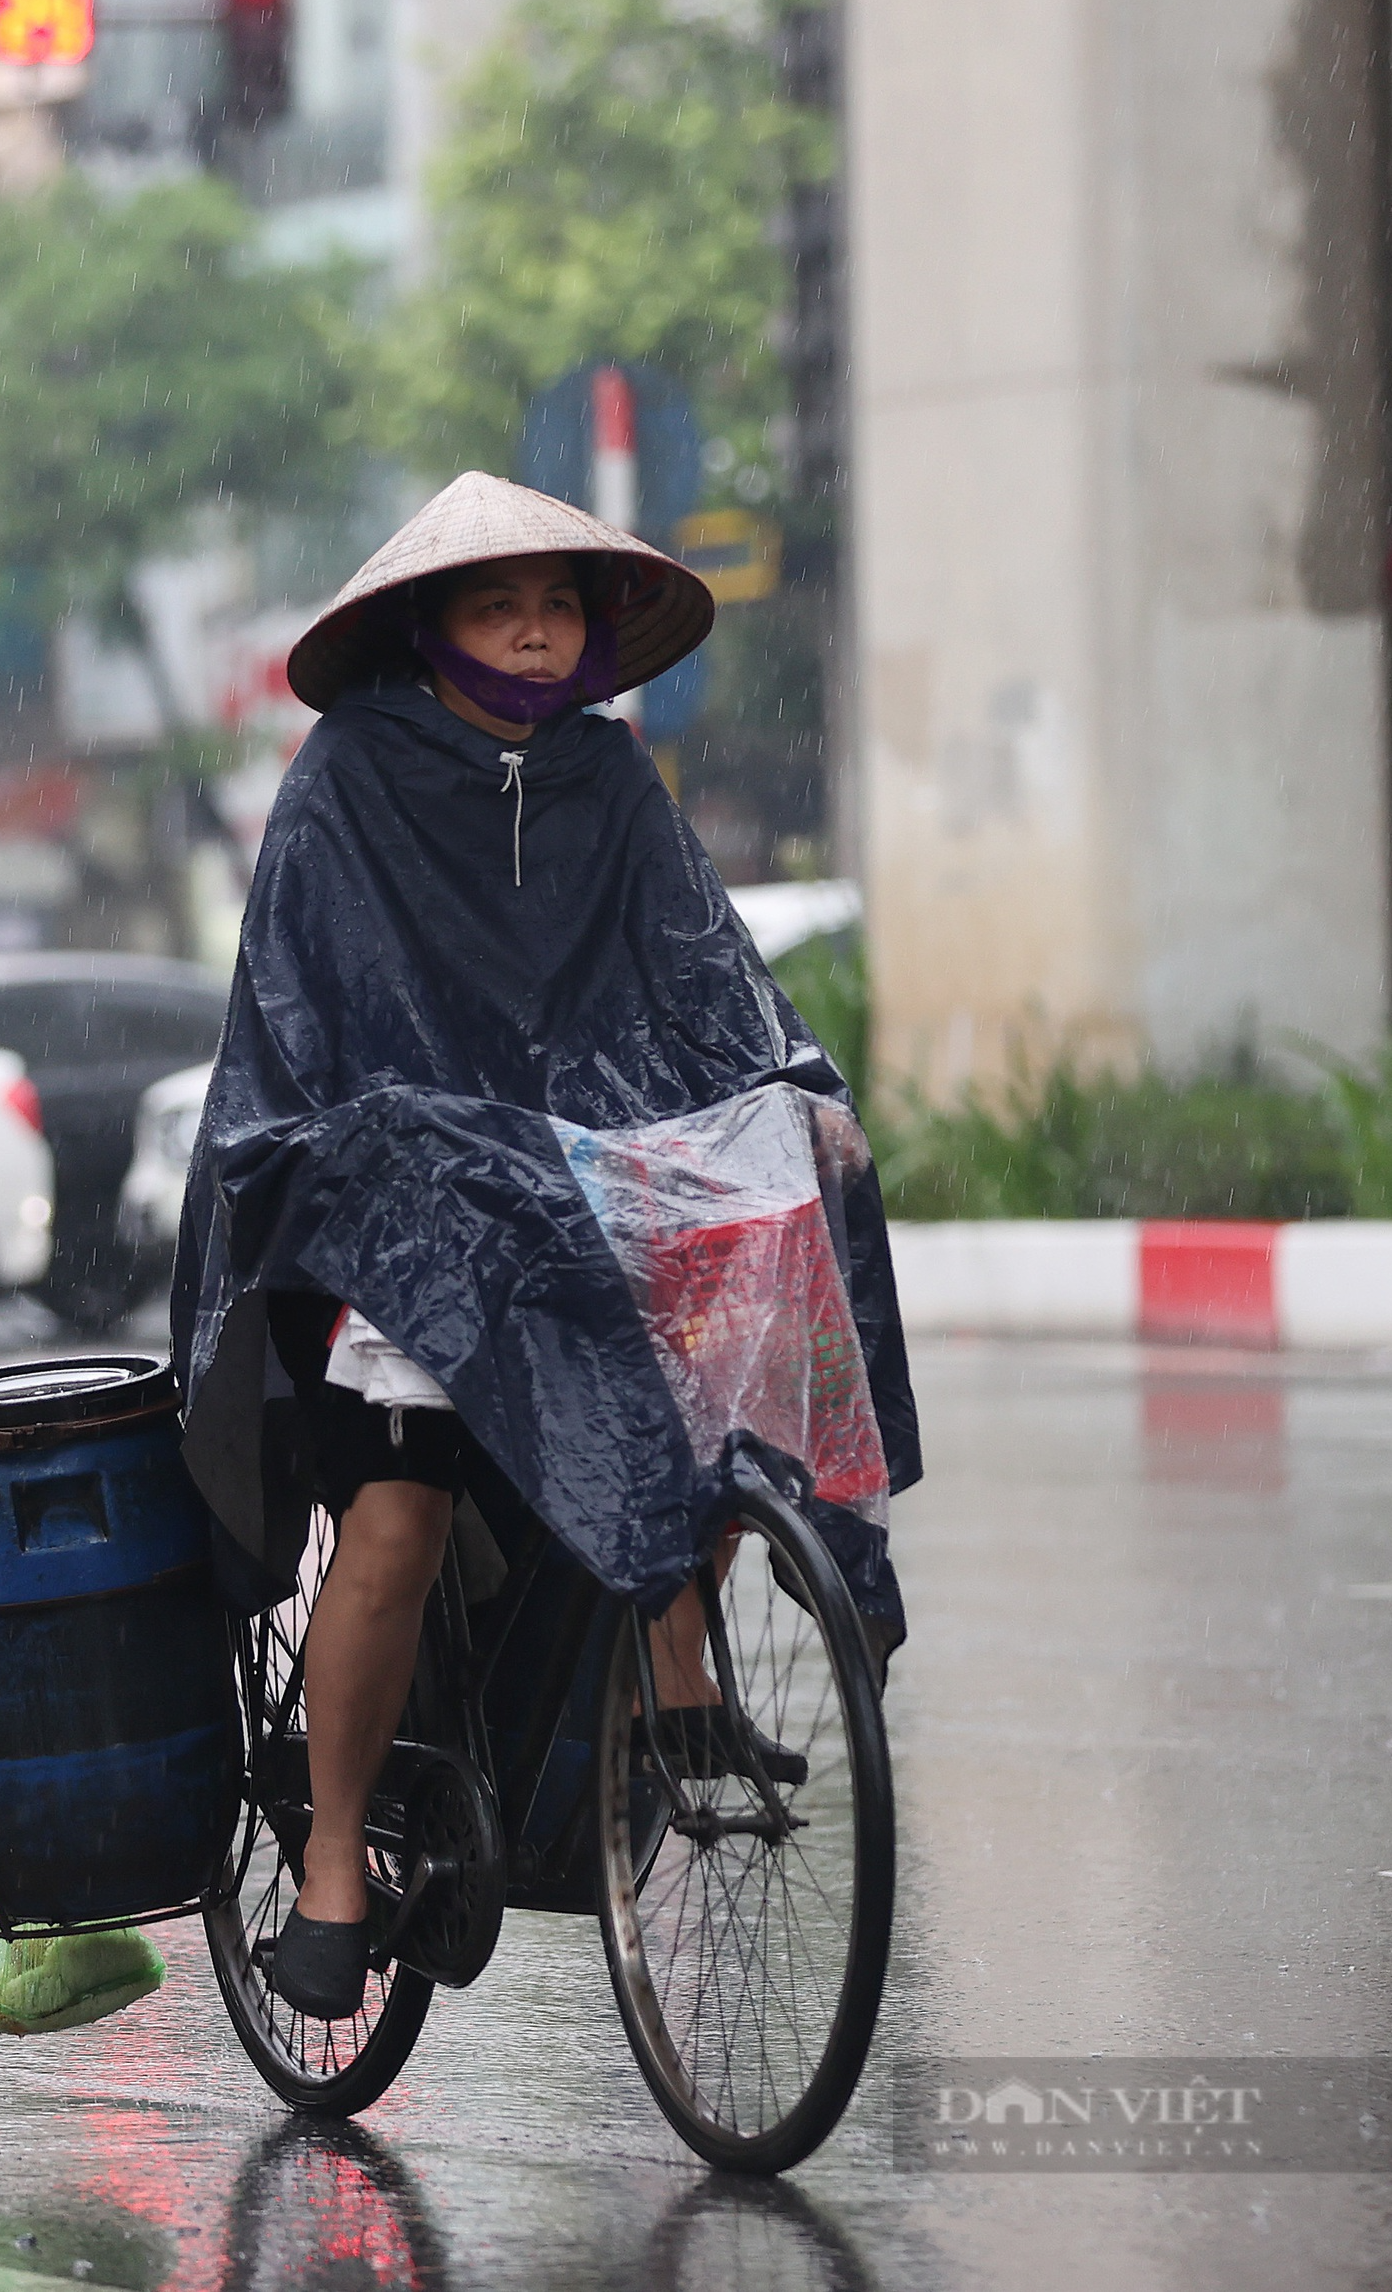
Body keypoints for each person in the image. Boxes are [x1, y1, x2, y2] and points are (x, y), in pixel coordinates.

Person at [173, 471, 918, 2021]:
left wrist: (795, 1089)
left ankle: (681, 1670)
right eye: (497, 601)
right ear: (430, 622)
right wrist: (421, 1141)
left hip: (572, 1175)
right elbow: (310, 1021)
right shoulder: (346, 776)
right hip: (391, 1198)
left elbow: (710, 972)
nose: (531, 629)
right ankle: (327, 1852)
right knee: (400, 1513)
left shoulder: (608, 778)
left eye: (557, 602)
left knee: (736, 1318)